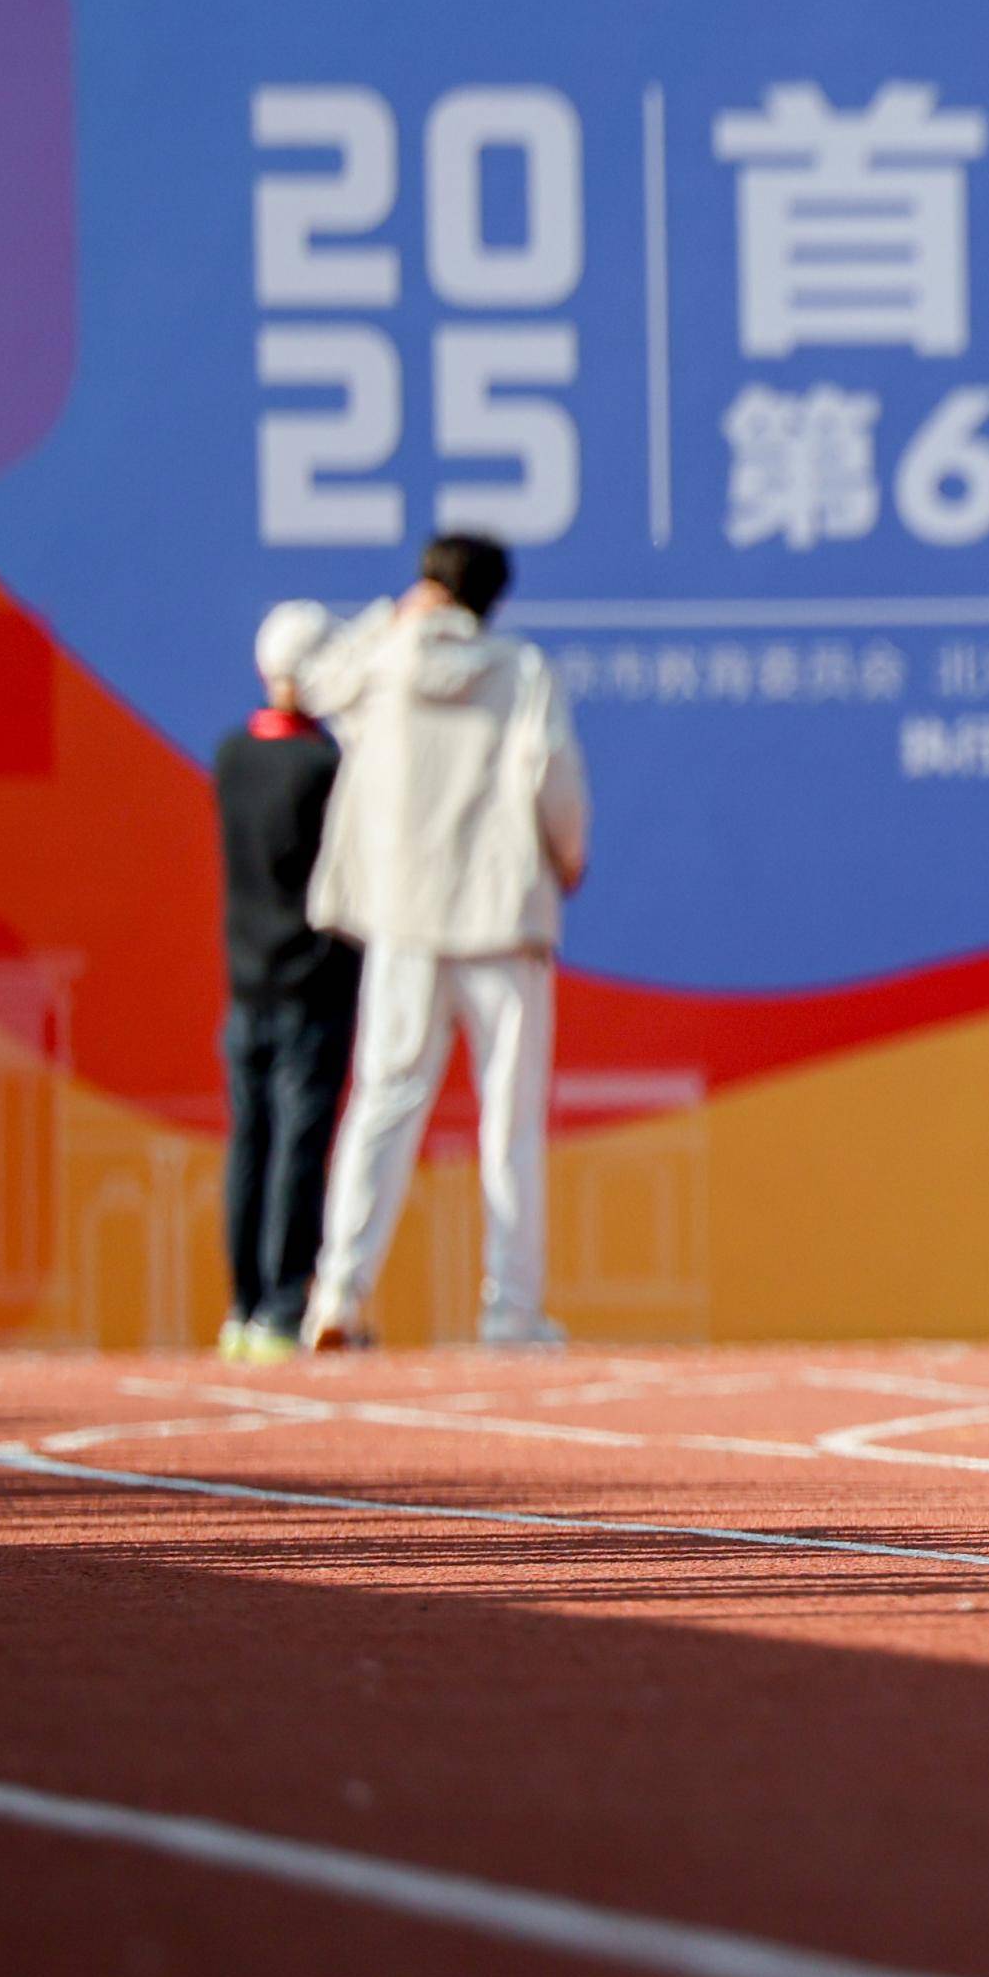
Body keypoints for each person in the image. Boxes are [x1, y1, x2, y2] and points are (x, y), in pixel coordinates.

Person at [291, 533, 594, 1353]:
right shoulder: (521, 670)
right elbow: (550, 772)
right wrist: (568, 855)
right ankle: (511, 1310)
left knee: (384, 1106)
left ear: (427, 586)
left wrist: (390, 617)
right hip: (500, 915)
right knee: (510, 1121)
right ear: (493, 598)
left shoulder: (384, 661)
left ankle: (338, 1296)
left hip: (407, 919)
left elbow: (312, 684)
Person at [208, 597, 360, 1360]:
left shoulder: (233, 753)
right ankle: (280, 1304)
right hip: (314, 980)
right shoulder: (325, 765)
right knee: (299, 1146)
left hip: (246, 982)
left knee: (252, 1143)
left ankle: (243, 1305)